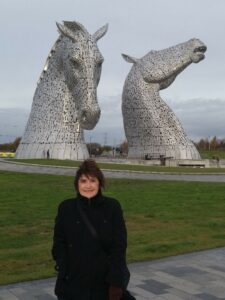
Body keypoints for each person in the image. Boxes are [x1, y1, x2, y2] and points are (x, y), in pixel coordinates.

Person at [52, 159, 129, 300]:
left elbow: (119, 248)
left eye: (92, 181)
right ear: (77, 184)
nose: (88, 186)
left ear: (100, 183)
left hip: (103, 284)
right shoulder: (66, 208)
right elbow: (59, 242)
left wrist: (116, 283)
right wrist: (64, 269)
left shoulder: (112, 207)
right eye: (83, 181)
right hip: (73, 283)